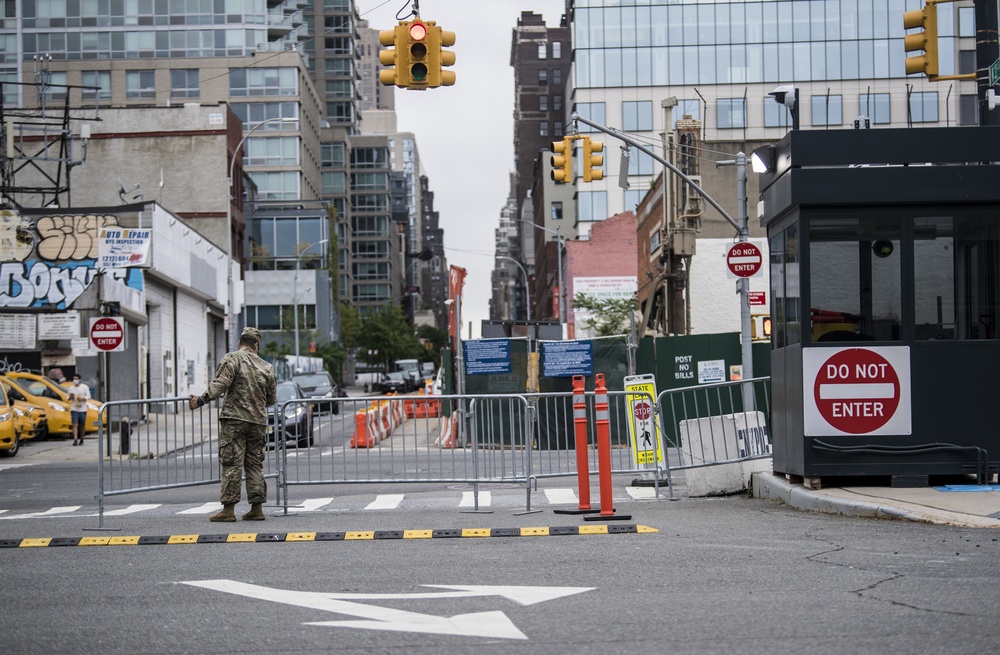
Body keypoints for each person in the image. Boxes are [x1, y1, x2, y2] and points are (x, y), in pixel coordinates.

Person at [188, 327, 276, 522]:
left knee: (232, 463)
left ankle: (228, 510)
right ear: (256, 345)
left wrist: (200, 401)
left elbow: (220, 383)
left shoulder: (233, 358)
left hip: (235, 420)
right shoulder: (267, 367)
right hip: (258, 422)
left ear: (239, 343)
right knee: (254, 464)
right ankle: (256, 508)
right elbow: (271, 398)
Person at [66, 373, 90, 446]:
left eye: (76, 379)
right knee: (75, 424)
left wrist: (83, 398)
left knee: (82, 424)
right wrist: (71, 397)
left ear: (79, 380)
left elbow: (88, 396)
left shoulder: (84, 387)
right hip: (74, 408)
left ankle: (82, 438)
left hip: (82, 408)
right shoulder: (71, 388)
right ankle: (75, 439)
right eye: (74, 379)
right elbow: (67, 397)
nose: (75, 380)